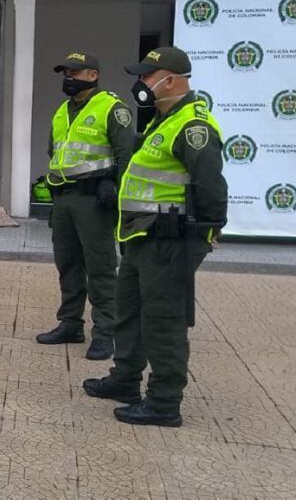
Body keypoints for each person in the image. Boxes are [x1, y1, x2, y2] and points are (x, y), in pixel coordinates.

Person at [83, 47, 227, 427]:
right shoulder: (162, 121)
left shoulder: (193, 127)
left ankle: (164, 402)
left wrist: (202, 237)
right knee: (129, 313)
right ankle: (125, 380)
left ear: (173, 80)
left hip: (169, 241)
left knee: (163, 320)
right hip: (140, 238)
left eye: (149, 76)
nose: (142, 83)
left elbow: (211, 187)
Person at [37, 52, 135, 361]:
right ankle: (70, 324)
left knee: (101, 268)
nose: (68, 78)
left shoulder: (112, 108)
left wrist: (114, 186)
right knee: (68, 264)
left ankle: (105, 333)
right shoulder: (62, 110)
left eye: (75, 72)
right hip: (64, 199)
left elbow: (126, 155)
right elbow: (55, 151)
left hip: (95, 200)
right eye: (65, 72)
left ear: (93, 75)